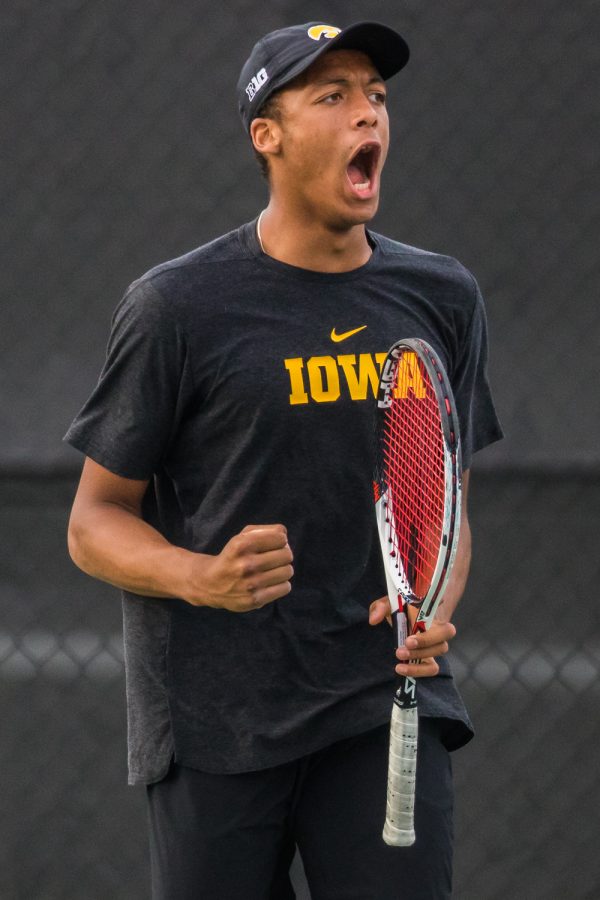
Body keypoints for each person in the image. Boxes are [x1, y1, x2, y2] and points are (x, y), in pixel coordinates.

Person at [65, 20, 502, 900]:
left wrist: (434, 600)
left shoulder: (441, 297)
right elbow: (93, 521)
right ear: (268, 134)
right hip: (213, 724)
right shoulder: (176, 306)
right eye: (332, 96)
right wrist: (200, 576)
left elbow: (445, 506)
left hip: (377, 709)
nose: (367, 115)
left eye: (376, 97)